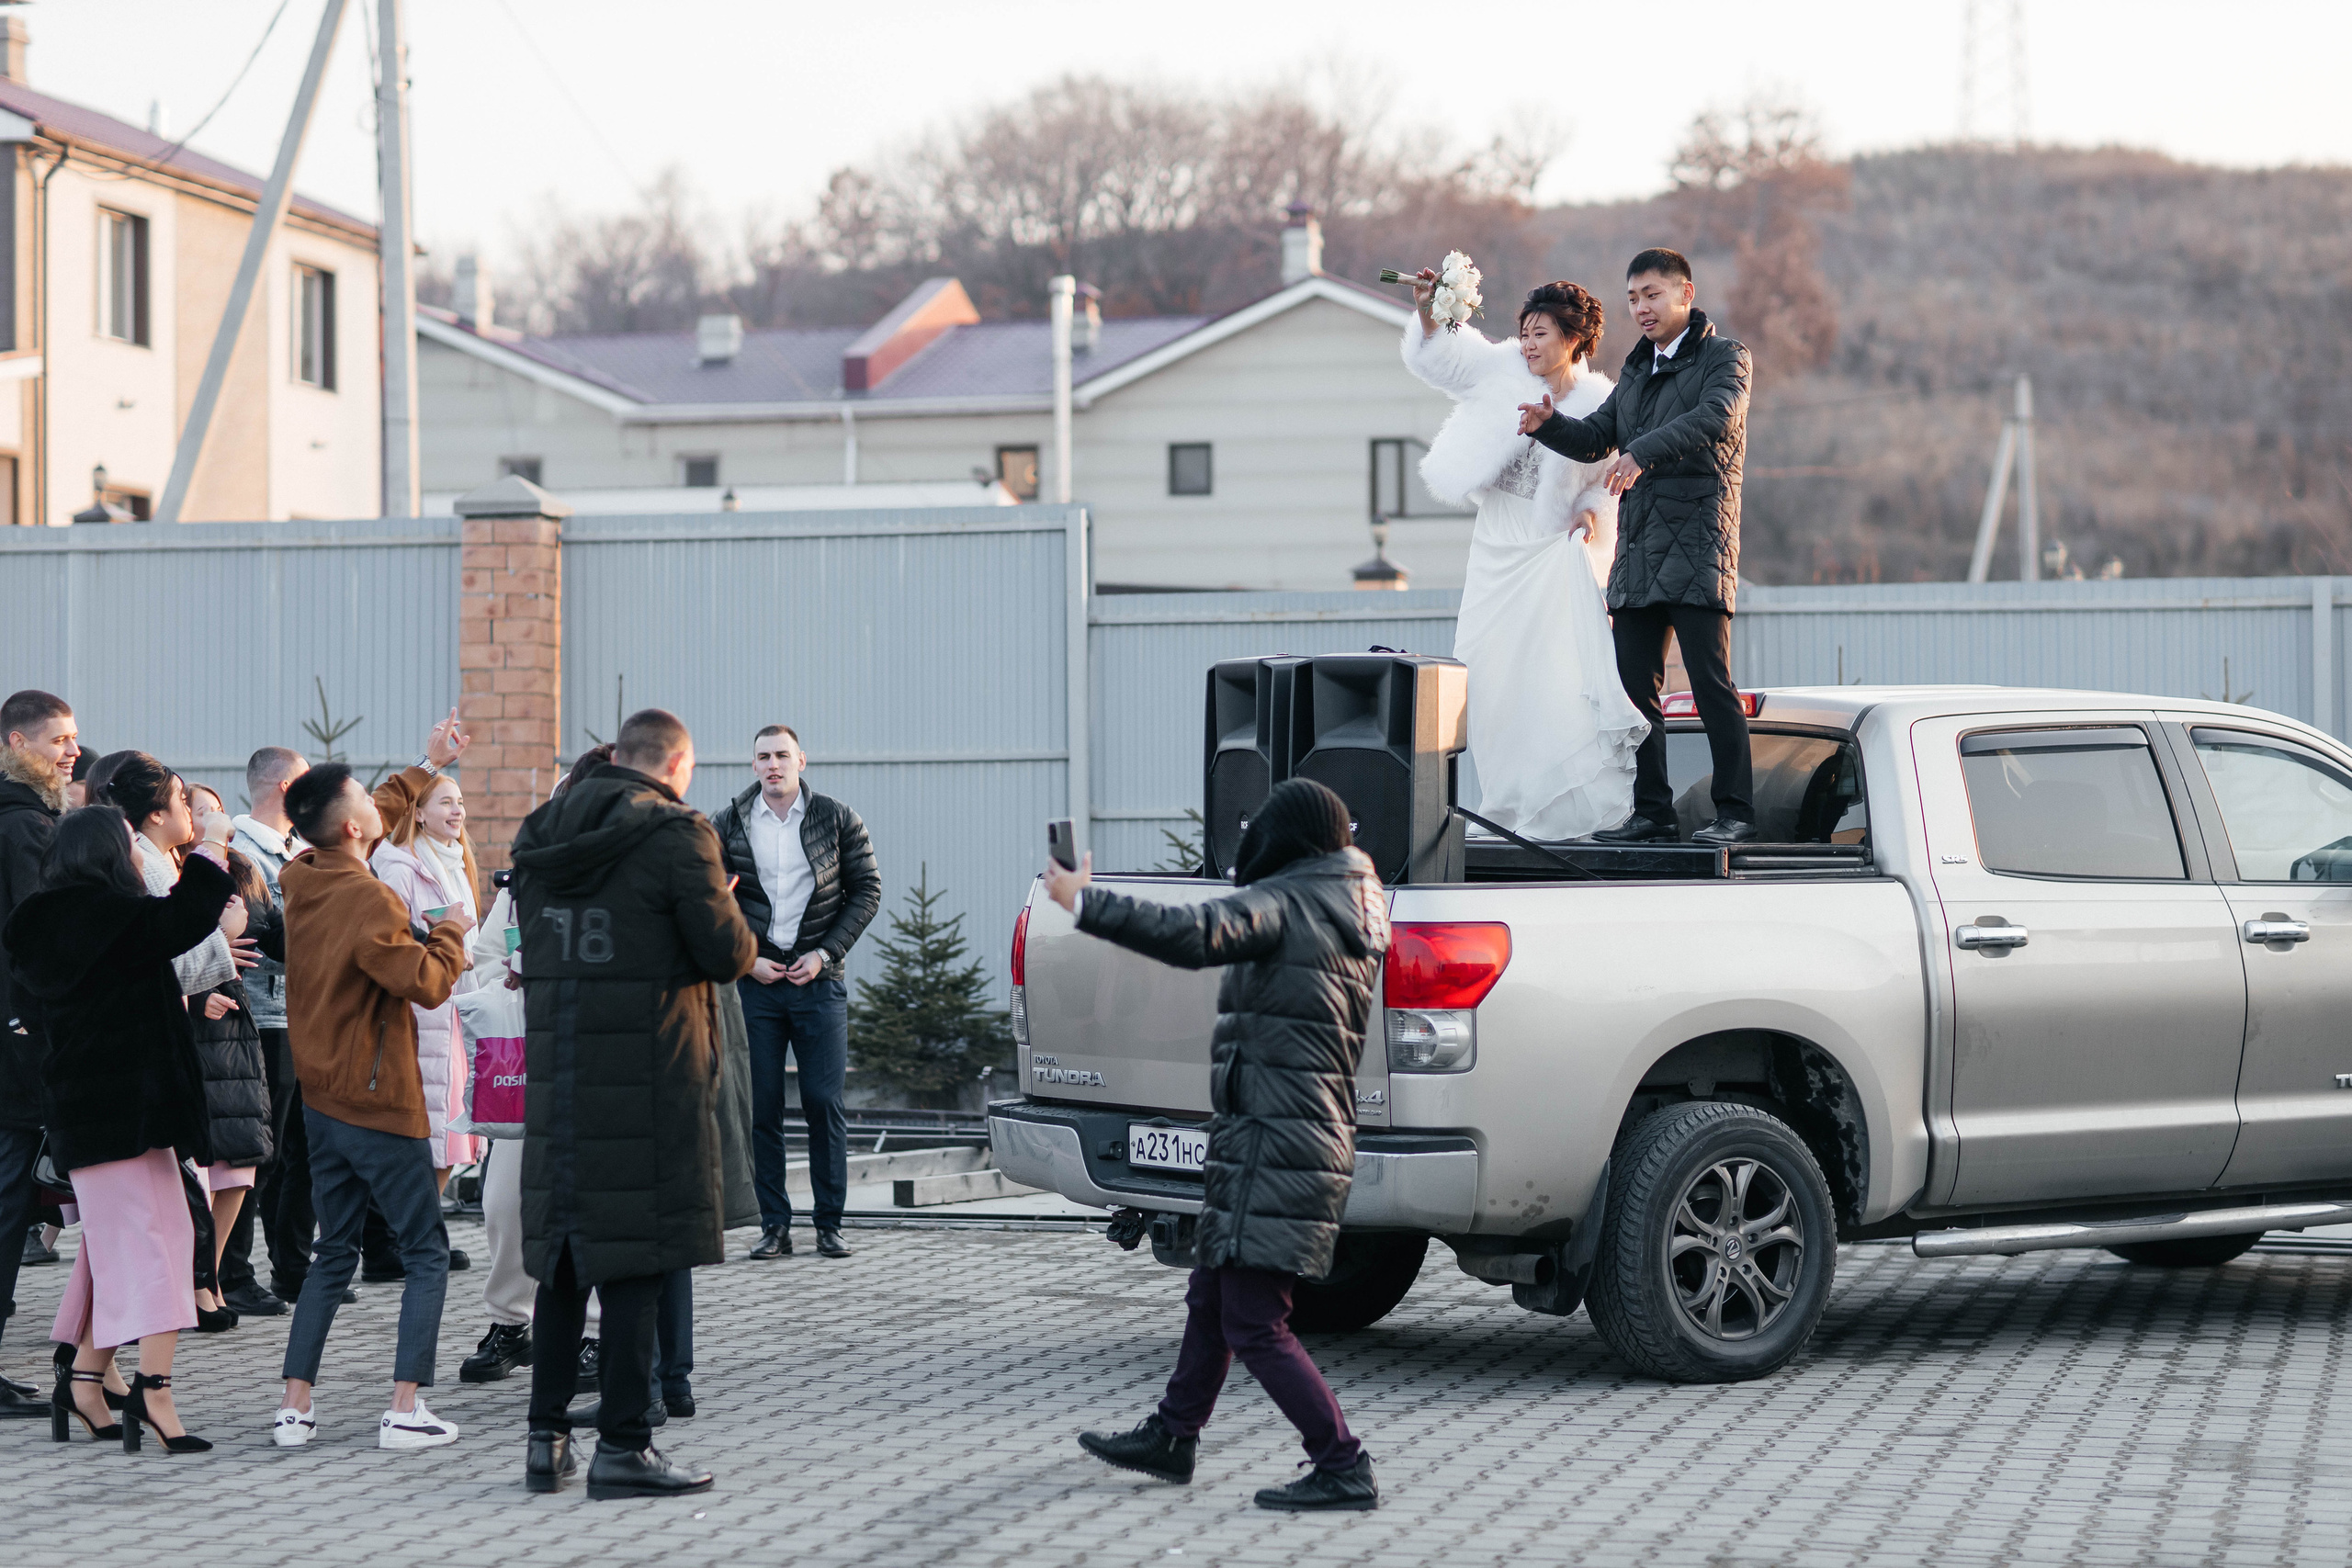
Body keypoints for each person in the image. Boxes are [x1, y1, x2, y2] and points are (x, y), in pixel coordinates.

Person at [1058, 779, 1389, 1514]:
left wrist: (1085, 901)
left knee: (1253, 1319)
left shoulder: (1293, 901)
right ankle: (1174, 1435)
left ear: (1292, 840)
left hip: (1280, 1138)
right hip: (1283, 1131)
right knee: (1212, 1295)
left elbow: (1195, 930)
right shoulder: (1346, 897)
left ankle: (1343, 1463)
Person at [509, 707, 755, 1499]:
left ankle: (545, 1441)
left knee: (561, 1264)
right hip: (651, 1074)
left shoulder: (540, 834)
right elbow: (727, 954)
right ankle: (624, 1446)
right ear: (676, 766)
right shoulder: (680, 834)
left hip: (561, 1072)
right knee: (637, 1265)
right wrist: (721, 898)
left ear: (616, 756)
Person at [10, 802, 239, 1453]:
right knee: (162, 1250)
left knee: (116, 1249)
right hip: (133, 1110)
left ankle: (85, 1377)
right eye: (131, 848)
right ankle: (153, 1389)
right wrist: (212, 846)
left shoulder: (38, 925)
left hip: (88, 1114)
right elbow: (191, 914)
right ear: (112, 854)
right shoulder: (114, 919)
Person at [272, 735, 473, 1453]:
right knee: (425, 1251)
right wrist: (450, 933)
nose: (375, 802)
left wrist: (422, 765)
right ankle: (404, 1407)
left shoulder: (303, 876)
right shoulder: (369, 898)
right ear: (352, 826)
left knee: (334, 1253)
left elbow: (364, 816)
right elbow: (423, 982)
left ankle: (295, 1408)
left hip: (323, 1100)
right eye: (363, 797)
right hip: (378, 1100)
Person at [1520, 246, 1757, 847]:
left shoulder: (1726, 358)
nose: (1641, 308)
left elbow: (1716, 417)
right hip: (1640, 550)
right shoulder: (1636, 369)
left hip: (1699, 540)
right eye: (1632, 298)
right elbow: (1598, 437)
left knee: (1710, 686)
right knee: (1632, 693)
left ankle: (1736, 812)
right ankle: (1652, 813)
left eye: (1652, 294)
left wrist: (1641, 452)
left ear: (1685, 292)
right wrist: (1548, 424)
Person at [1399, 274, 1646, 840]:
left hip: (1550, 550)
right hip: (1496, 544)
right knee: (1485, 672)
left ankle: (1553, 813)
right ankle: (1503, 805)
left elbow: (1600, 481)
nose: (1530, 344)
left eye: (1542, 334)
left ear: (1575, 339)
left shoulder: (1600, 402)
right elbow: (1440, 361)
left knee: (1552, 676)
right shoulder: (1501, 370)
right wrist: (1431, 313)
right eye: (1526, 333)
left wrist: (1589, 513)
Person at [707, 725, 879, 1261]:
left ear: (802, 759)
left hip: (819, 982)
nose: (773, 765)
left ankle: (830, 1223)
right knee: (761, 1108)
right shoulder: (729, 822)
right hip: (755, 985)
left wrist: (825, 954)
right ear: (753, 764)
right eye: (764, 757)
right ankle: (774, 1225)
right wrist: (746, 959)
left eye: (783, 755)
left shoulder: (837, 818)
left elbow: (867, 890)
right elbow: (709, 898)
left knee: (824, 1102)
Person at [0, 689, 77, 1419]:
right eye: (58, 739)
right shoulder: (24, 826)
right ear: (16, 741)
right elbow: (39, 933)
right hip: (18, 1044)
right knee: (7, 1201)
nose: (71, 751)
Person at [368, 721, 486, 1194]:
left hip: (455, 1010)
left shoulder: (459, 863)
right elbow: (391, 939)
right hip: (420, 1013)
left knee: (451, 1133)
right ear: (417, 813)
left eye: (460, 802)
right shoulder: (398, 868)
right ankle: (414, 1238)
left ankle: (425, 1231)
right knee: (427, 1133)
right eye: (445, 802)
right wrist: (444, 947)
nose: (457, 811)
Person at [225, 746, 309, 1315]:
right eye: (306, 782)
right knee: (259, 1153)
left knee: (300, 1151)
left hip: (302, 1016)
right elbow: (261, 936)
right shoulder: (242, 853)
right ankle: (235, 1275)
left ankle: (296, 1270)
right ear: (283, 786)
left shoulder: (298, 849)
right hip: (260, 1016)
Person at [187, 846, 276, 1334]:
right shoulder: (174, 875)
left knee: (239, 1163)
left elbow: (261, 928)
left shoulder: (240, 868)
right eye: (195, 807)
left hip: (233, 1028)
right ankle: (198, 1283)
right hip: (196, 1032)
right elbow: (174, 951)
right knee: (201, 1171)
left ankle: (210, 1276)